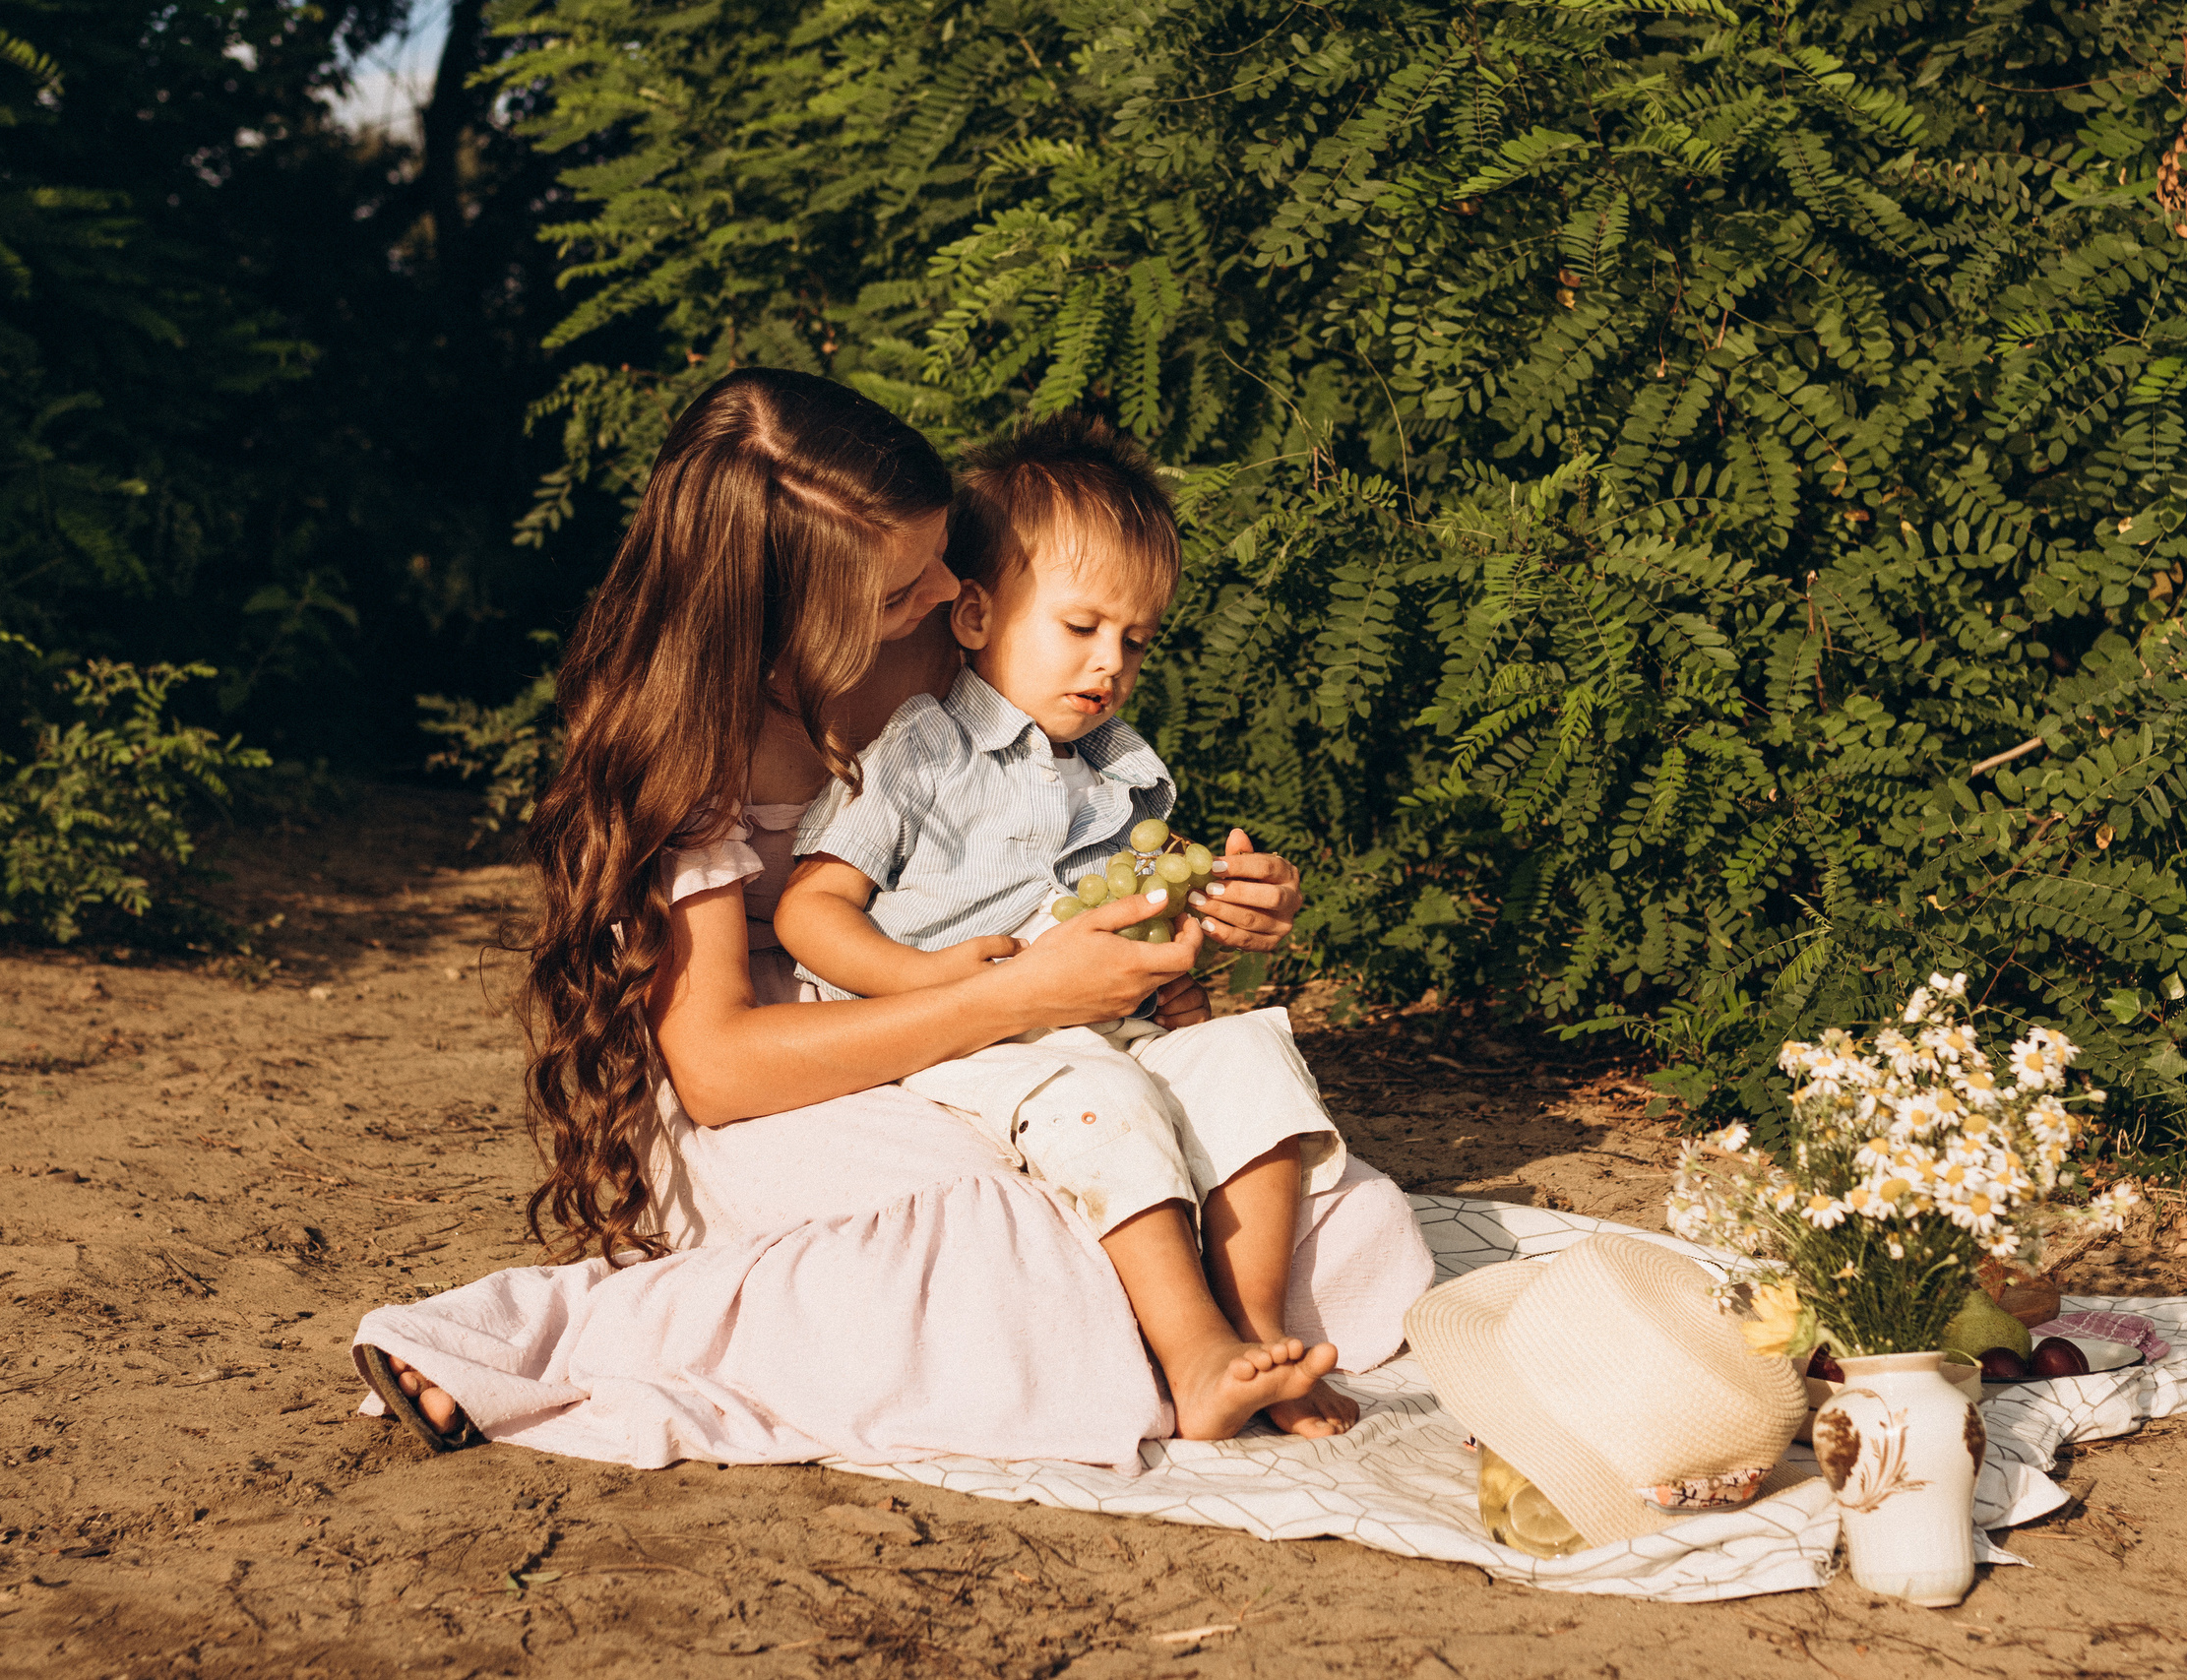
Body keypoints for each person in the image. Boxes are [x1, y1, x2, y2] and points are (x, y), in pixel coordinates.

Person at [349, 369, 1432, 1467]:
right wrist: (1004, 997)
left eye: (941, 565)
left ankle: (1193, 1344)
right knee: (1010, 1244)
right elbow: (720, 1068)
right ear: (782, 609)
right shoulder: (684, 740)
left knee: (1330, 1215)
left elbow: (1060, 851)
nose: (943, 595)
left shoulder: (947, 637)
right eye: (899, 589)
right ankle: (541, 1338)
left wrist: (1192, 901)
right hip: (796, 1064)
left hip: (1003, 1021)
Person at [775, 414, 1361, 1437]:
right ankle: (1194, 1355)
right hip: (969, 1032)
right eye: (1081, 627)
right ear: (972, 618)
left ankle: (1259, 1331)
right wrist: (928, 983)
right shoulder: (921, 749)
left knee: (1246, 1054)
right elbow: (808, 908)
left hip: (1093, 1020)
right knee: (1102, 1094)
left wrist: (1186, 945)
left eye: (1134, 641)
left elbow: (1125, 920)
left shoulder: (1120, 770)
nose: (1110, 665)